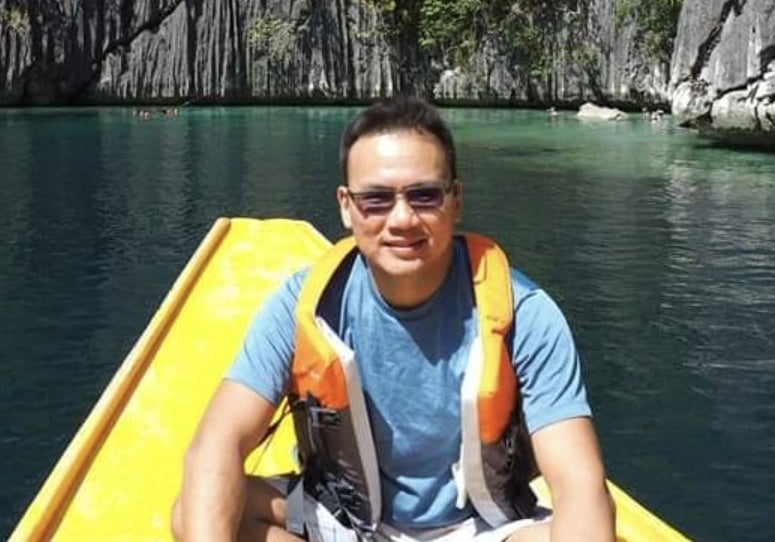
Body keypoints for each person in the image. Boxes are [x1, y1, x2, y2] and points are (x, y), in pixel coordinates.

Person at [172, 96, 615, 542]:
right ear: (346, 206)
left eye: (425, 195)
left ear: (456, 200)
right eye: (376, 199)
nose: (402, 219)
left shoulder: (524, 312)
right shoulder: (305, 305)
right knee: (200, 512)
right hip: (346, 522)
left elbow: (578, 481)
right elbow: (218, 443)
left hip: (481, 529)